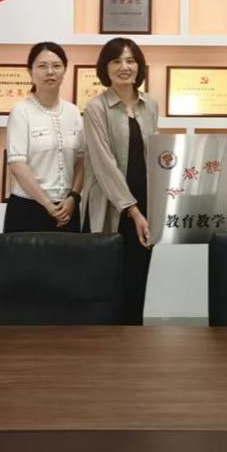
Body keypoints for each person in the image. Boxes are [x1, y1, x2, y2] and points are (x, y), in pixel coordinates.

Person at [81, 37, 157, 325]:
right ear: (105, 68)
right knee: (106, 285)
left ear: (139, 66)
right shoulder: (95, 107)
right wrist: (133, 210)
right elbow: (104, 165)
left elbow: (153, 156)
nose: (124, 67)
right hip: (110, 206)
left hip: (145, 205)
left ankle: (133, 343)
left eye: (130, 60)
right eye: (116, 61)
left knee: (137, 282)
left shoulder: (150, 104)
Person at [4, 42, 84, 233]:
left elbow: (81, 161)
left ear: (64, 70)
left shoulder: (74, 112)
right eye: (42, 66)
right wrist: (47, 204)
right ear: (30, 72)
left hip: (68, 208)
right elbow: (17, 164)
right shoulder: (21, 111)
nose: (50, 72)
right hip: (28, 207)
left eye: (56, 66)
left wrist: (73, 197)